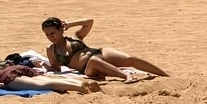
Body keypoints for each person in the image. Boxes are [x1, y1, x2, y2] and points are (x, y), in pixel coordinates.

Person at [41, 17, 169, 83]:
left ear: (61, 30)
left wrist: (70, 24)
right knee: (93, 61)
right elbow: (56, 68)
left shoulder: (75, 37)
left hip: (100, 53)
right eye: (47, 35)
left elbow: (89, 22)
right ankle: (126, 76)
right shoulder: (51, 50)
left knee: (130, 59)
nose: (50, 37)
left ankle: (166, 75)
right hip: (89, 68)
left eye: (53, 33)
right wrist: (46, 67)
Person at [0, 63, 101, 94]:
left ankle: (80, 87)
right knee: (40, 80)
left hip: (4, 76)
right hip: (13, 68)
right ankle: (78, 81)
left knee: (43, 84)